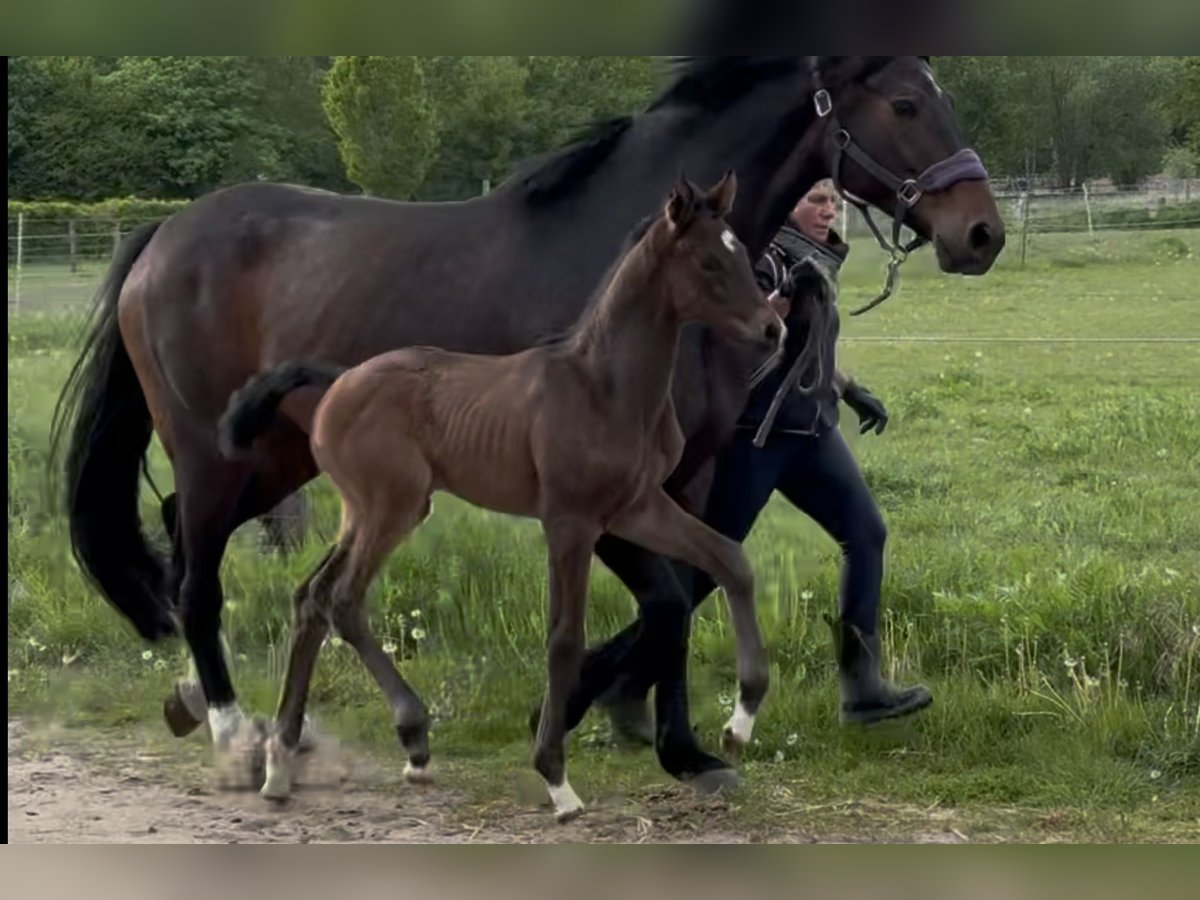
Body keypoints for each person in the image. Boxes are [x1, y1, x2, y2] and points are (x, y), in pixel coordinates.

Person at [605, 179, 932, 735]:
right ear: (789, 207)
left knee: (867, 534)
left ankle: (863, 688)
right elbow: (741, 335)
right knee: (708, 569)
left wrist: (848, 388)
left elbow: (810, 345)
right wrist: (778, 302)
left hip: (811, 432)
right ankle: (616, 678)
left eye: (833, 202)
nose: (829, 211)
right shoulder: (764, 261)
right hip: (756, 437)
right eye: (816, 201)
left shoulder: (812, 260)